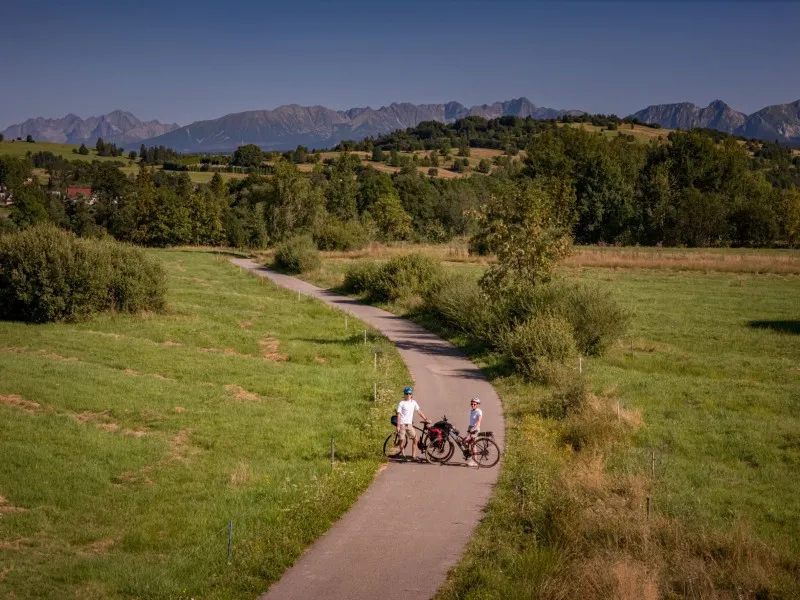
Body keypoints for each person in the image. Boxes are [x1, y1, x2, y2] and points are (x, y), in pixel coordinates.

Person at [396, 386, 429, 461]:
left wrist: (425, 419)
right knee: (402, 440)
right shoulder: (401, 403)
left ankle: (413, 456)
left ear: (411, 395)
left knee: (415, 439)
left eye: (409, 394)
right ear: (404, 394)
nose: (408, 395)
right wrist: (398, 426)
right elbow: (398, 414)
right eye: (406, 394)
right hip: (402, 424)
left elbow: (419, 411)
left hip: (409, 425)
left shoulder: (414, 403)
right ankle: (403, 455)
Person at [464, 397, 483, 467]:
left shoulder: (479, 411)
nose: (473, 405)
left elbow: (479, 421)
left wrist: (474, 428)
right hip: (471, 428)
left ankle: (475, 461)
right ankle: (469, 454)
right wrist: (470, 428)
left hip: (475, 429)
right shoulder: (472, 410)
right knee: (465, 441)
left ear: (478, 404)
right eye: (471, 404)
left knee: (473, 445)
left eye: (474, 404)